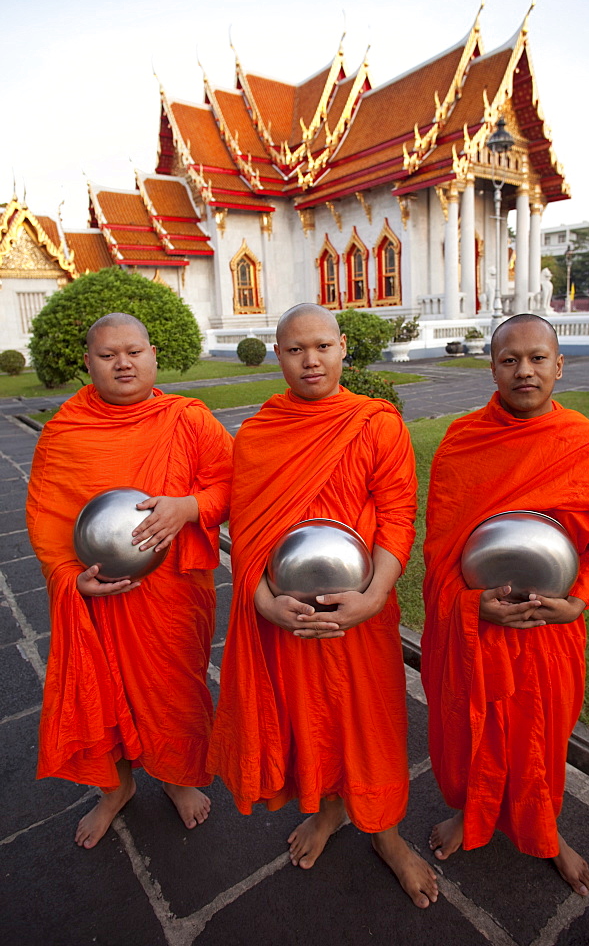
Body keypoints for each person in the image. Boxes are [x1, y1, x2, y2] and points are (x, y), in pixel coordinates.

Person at [207, 303, 438, 908]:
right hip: (287, 618)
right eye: (295, 349)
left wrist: (374, 596)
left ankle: (385, 834)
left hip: (361, 610)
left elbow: (396, 515)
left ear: (342, 350)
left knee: (368, 722)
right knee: (311, 718)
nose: (310, 360)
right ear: (277, 355)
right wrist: (262, 601)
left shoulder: (375, 424)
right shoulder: (258, 434)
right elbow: (248, 532)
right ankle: (329, 810)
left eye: (321, 347)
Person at [422, 314, 589, 896]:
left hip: (550, 632)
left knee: (543, 740)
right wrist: (472, 606)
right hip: (481, 628)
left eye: (537, 359)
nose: (524, 370)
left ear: (558, 364)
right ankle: (470, 817)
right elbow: (442, 551)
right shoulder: (463, 442)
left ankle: (547, 831)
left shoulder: (587, 446)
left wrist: (580, 600)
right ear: (492, 366)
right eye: (509, 360)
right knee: (473, 733)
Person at [26, 313, 233, 848]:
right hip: (97, 595)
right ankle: (115, 788)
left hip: (171, 595)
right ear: (88, 363)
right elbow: (46, 519)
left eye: (134, 352)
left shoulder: (187, 418)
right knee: (103, 690)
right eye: (107, 354)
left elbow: (230, 484)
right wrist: (71, 579)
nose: (123, 363)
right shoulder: (64, 433)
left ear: (153, 354)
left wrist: (189, 506)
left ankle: (175, 776)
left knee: (173, 689)